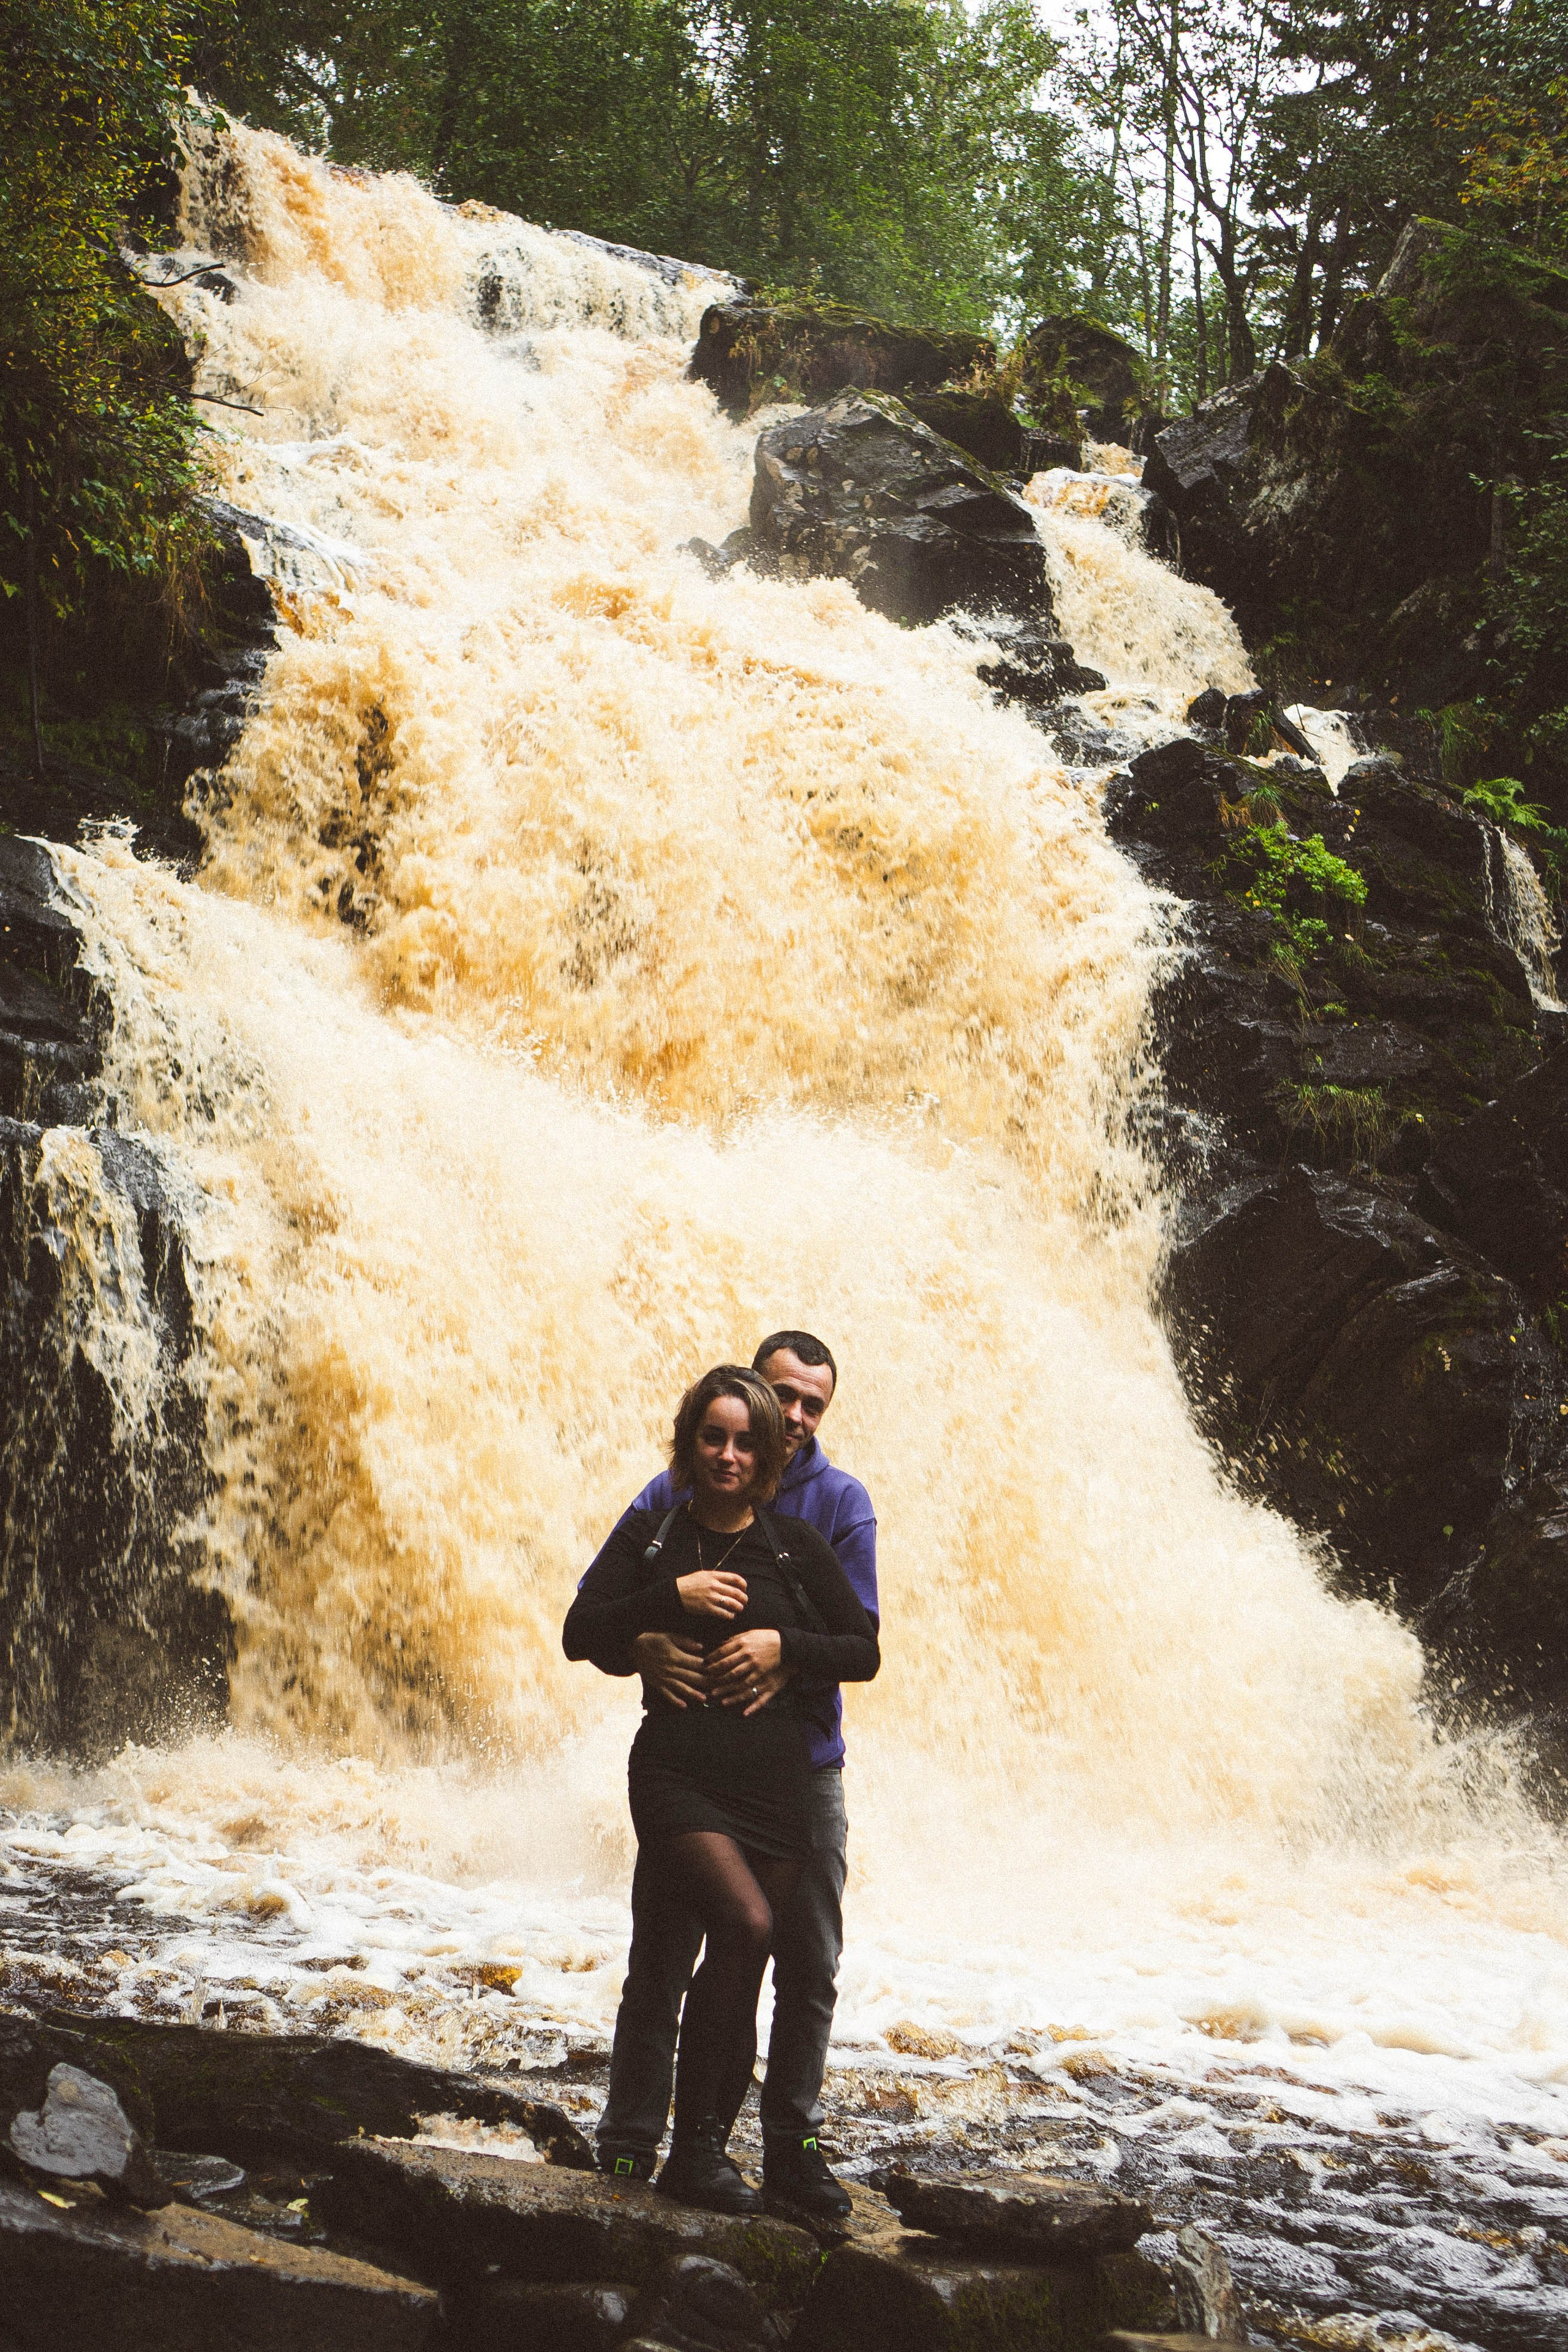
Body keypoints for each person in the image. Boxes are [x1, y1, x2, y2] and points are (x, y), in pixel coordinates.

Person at [564, 1366, 879, 2216]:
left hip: (779, 1789)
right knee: (729, 1930)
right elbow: (580, 1630)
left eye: (746, 1441)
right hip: (679, 1777)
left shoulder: (800, 1539)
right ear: (690, 1441)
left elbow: (863, 1650)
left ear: (770, 1449)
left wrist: (786, 1646)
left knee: (750, 1960)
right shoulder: (660, 1532)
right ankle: (635, 2145)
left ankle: (702, 2150)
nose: (729, 1454)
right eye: (714, 1437)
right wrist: (662, 1610)